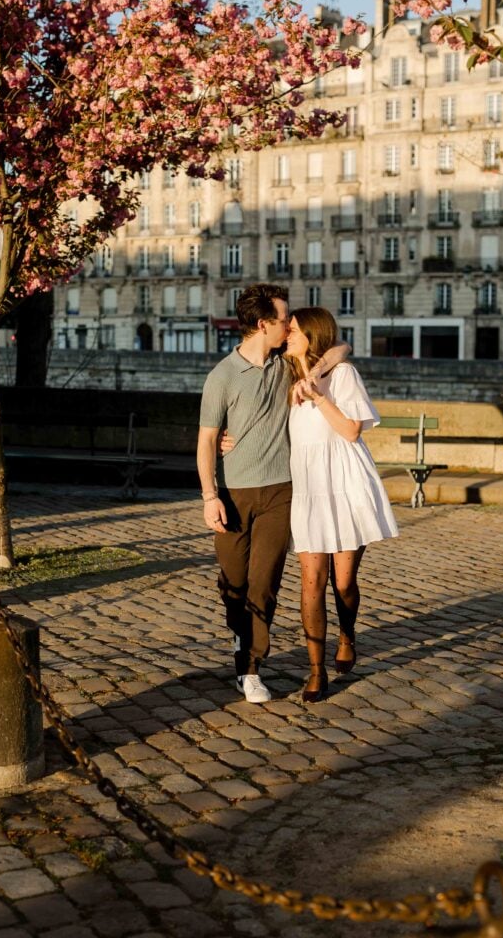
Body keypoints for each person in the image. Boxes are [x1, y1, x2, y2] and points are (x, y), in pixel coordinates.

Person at [197, 284, 346, 703]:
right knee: (234, 584)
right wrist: (210, 496)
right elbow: (207, 441)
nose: (289, 325)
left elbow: (340, 347)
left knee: (264, 585)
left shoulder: (288, 366)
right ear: (263, 325)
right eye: (284, 320)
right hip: (232, 494)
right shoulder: (222, 376)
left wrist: (313, 374)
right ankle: (241, 641)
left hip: (281, 491)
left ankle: (251, 669)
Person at [285, 307, 398, 702]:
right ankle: (316, 671)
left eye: (294, 330)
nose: (287, 334)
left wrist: (318, 396)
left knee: (344, 581)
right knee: (312, 581)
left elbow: (351, 431)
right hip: (309, 488)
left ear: (312, 334)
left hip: (347, 484)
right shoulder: (289, 379)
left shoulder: (343, 375)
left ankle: (347, 633)